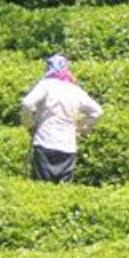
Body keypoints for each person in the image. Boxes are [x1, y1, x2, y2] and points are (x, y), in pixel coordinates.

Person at [20, 55, 103, 183]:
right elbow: (97, 111)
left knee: (42, 188)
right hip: (68, 145)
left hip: (44, 141)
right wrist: (81, 128)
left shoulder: (46, 85)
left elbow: (27, 103)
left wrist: (30, 125)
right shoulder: (75, 90)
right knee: (63, 190)